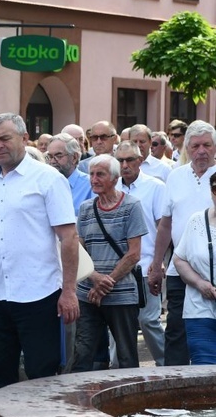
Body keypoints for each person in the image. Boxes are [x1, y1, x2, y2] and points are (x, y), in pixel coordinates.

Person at [0, 113, 80, 417]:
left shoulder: (47, 179)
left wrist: (68, 291)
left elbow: (68, 237)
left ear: (24, 138)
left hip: (38, 293)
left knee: (41, 373)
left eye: (5, 138)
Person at [149, 120, 216, 366]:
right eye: (196, 145)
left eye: (207, 145)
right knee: (176, 331)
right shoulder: (176, 177)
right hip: (180, 269)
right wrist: (157, 265)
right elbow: (165, 224)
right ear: (187, 147)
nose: (201, 151)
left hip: (214, 269)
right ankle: (174, 391)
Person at [72, 155, 146, 372]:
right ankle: (78, 402)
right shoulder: (86, 208)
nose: (94, 179)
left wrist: (107, 282)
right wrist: (95, 278)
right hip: (88, 293)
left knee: (126, 356)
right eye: (92, 174)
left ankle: (130, 403)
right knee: (83, 353)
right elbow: (79, 250)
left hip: (121, 294)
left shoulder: (131, 206)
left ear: (115, 178)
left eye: (100, 174)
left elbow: (134, 254)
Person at [112, 141, 166, 367]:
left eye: (129, 160)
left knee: (148, 321)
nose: (124, 165)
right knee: (117, 323)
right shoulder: (110, 187)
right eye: (120, 161)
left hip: (145, 266)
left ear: (140, 160)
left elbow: (163, 227)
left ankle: (168, 364)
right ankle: (114, 371)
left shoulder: (155, 187)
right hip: (117, 268)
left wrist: (158, 262)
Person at [172, 172, 216, 364]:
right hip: (200, 310)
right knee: (204, 370)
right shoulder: (197, 221)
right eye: (215, 189)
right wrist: (200, 283)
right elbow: (179, 259)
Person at [47, 133, 94, 217]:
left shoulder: (91, 185)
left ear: (74, 158)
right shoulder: (44, 183)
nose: (52, 161)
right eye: (50, 157)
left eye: (58, 156)